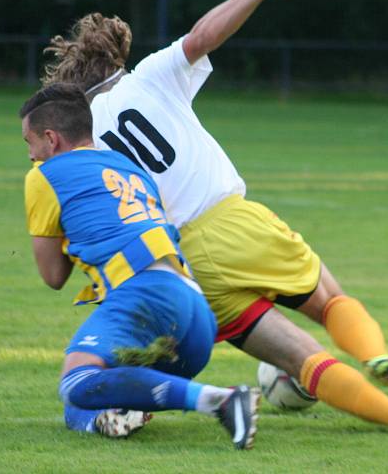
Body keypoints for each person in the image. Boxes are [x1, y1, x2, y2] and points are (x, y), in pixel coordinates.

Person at [42, 0, 388, 438]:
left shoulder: (80, 142)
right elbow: (204, 35)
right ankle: (377, 355)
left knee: (302, 358)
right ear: (113, 62)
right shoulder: (147, 77)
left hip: (178, 265)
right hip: (230, 224)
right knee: (330, 302)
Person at [20, 83, 259, 449]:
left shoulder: (44, 175)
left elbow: (53, 276)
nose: (30, 155)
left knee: (75, 382)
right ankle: (112, 417)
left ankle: (220, 400)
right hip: (195, 309)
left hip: (147, 296)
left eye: (30, 143)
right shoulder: (127, 166)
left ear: (51, 139)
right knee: (91, 397)